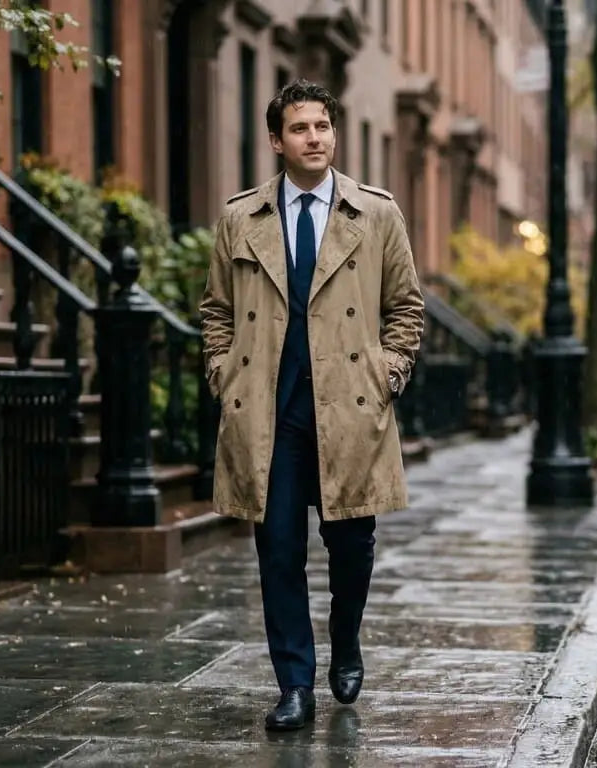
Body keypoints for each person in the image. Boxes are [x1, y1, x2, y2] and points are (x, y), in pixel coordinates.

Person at [199, 79, 424, 731]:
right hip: (269, 411)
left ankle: (346, 640)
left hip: (350, 404)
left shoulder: (375, 213)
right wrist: (223, 372)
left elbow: (405, 305)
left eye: (322, 126)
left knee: (351, 543)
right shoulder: (242, 217)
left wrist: (390, 369)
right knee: (277, 551)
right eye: (299, 128)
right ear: (276, 140)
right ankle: (293, 683)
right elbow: (215, 310)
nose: (314, 138)